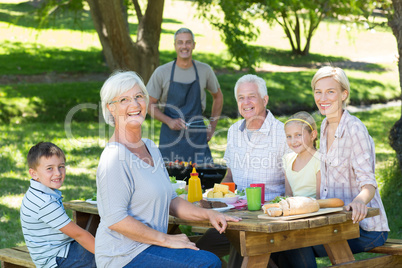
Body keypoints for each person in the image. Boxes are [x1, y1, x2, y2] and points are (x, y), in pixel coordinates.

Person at [96, 71, 240, 268]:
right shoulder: (113, 156)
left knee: (213, 261)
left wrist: (209, 215)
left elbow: (171, 201)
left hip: (149, 247)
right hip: (123, 256)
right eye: (124, 99)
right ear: (110, 108)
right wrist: (166, 240)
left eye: (139, 96)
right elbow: (115, 219)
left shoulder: (150, 148)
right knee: (207, 263)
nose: (135, 105)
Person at [273, 66, 390, 267]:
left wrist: (359, 201)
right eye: (318, 92)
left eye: (330, 91)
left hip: (364, 227)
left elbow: (369, 183)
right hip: (334, 221)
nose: (322, 97)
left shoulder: (355, 129)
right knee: (276, 243)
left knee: (295, 244)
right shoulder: (325, 125)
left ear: (344, 94)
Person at [196, 74, 289, 266]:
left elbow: (292, 185)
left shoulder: (284, 133)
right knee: (199, 253)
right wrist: (211, 198)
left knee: (244, 248)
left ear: (265, 99)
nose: (245, 102)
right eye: (241, 97)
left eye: (251, 96)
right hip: (235, 217)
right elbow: (229, 176)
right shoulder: (233, 131)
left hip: (268, 220)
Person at [147, 27, 223, 164]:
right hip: (170, 138)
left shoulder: (204, 70)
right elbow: (148, 104)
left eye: (188, 42)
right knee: (170, 181)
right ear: (175, 46)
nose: (184, 46)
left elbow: (218, 97)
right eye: (180, 42)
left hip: (197, 137)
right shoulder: (162, 72)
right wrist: (169, 121)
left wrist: (212, 127)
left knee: (203, 180)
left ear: (194, 45)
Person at [20, 142, 96, 268]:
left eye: (61, 166)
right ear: (34, 173)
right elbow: (79, 235)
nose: (58, 173)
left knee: (102, 241)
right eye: (50, 168)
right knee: (113, 255)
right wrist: (107, 256)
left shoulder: (37, 192)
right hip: (56, 259)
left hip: (55, 251)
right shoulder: (44, 202)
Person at [283, 111, 321, 198]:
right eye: (289, 136)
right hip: (293, 210)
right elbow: (288, 195)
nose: (293, 141)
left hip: (315, 210)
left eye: (298, 135)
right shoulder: (287, 159)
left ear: (312, 135)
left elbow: (321, 199)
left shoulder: (319, 161)